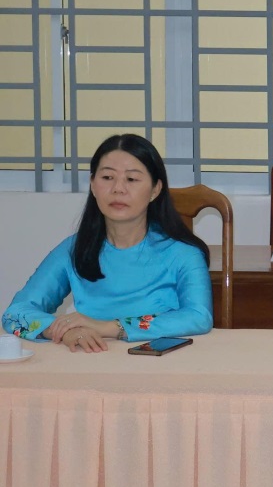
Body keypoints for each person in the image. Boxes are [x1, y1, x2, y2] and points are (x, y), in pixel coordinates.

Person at [2, 134, 213, 352]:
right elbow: (15, 313)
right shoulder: (73, 250)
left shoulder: (182, 253)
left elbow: (199, 317)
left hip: (160, 362)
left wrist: (110, 327)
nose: (118, 189)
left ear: (155, 189)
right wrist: (63, 331)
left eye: (132, 179)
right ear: (93, 185)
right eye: (107, 177)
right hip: (90, 359)